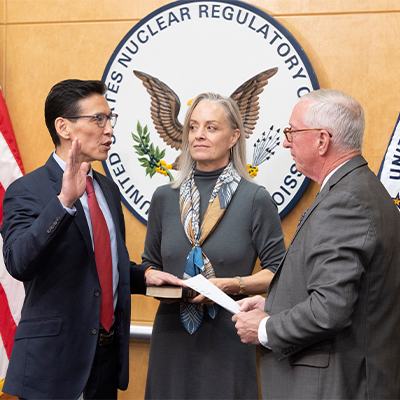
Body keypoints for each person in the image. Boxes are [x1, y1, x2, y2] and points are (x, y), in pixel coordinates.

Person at [0, 79, 181, 400]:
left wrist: (146, 277)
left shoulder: (107, 189)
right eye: (98, 119)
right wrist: (64, 202)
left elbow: (104, 266)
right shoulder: (27, 190)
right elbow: (18, 263)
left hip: (105, 363)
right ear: (64, 128)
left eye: (111, 119)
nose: (109, 129)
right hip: (53, 366)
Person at [232, 89, 400, 400]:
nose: (285, 141)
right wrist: (272, 307)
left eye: (292, 132)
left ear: (322, 140)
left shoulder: (346, 201)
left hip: (334, 387)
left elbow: (329, 309)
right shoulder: (358, 189)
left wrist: (265, 328)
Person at [142, 92, 286, 400]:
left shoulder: (255, 198)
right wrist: (155, 278)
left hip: (230, 337)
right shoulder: (164, 197)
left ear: (234, 136)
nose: (198, 136)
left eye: (211, 127)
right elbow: (148, 265)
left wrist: (233, 285)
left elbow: (279, 273)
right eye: (193, 127)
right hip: (170, 337)